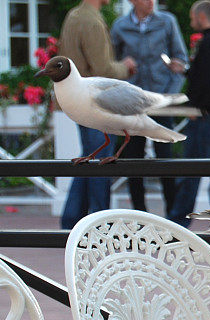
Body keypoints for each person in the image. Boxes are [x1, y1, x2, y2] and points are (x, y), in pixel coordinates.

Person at [58, 0, 137, 229]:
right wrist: (126, 66)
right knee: (101, 163)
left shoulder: (73, 16)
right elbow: (103, 69)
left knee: (89, 159)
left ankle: (71, 221)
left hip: (77, 99)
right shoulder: (91, 21)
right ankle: (102, 225)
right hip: (95, 103)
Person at [111, 0, 188, 214]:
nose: (151, 2)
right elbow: (112, 65)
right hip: (132, 104)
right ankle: (139, 215)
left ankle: (172, 217)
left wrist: (170, 94)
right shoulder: (120, 26)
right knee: (133, 161)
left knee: (166, 160)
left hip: (160, 102)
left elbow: (180, 59)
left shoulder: (167, 21)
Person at [169, 0, 210, 227]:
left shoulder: (208, 44)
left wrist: (196, 108)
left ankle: (177, 223)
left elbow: (208, 82)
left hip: (206, 116)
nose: (190, 21)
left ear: (201, 16)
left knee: (191, 170)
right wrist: (187, 70)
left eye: (192, 17)